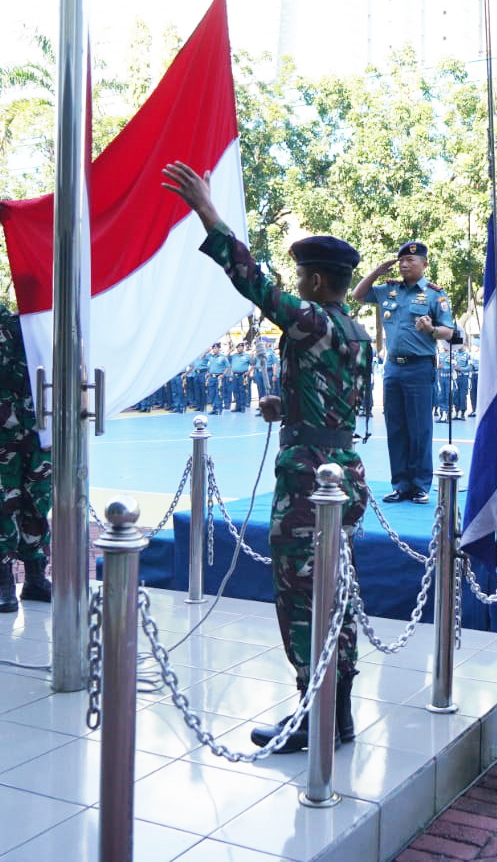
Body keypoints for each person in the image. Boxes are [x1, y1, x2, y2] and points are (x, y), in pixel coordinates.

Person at [163, 160, 372, 753]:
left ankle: (313, 716)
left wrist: (208, 211)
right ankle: (341, 712)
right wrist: (295, 406)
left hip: (308, 479)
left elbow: (253, 281)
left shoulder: (308, 322)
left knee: (303, 596)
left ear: (311, 281)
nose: (297, 283)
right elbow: (343, 400)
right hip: (342, 468)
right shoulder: (354, 333)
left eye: (301, 274)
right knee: (338, 590)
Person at [0, 204, 54, 612]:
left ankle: (36, 578)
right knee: (2, 503)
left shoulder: (59, 329)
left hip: (43, 429)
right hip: (5, 426)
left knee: (39, 502)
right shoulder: (3, 323)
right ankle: (3, 583)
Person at [351, 240, 455, 503]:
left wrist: (431, 330)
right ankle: (400, 484)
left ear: (424, 264)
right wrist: (376, 271)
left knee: (419, 428)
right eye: (402, 261)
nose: (405, 264)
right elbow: (357, 295)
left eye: (411, 260)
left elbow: (449, 332)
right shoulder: (390, 290)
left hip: (420, 367)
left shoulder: (435, 295)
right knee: (395, 428)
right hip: (393, 368)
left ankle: (420, 485)